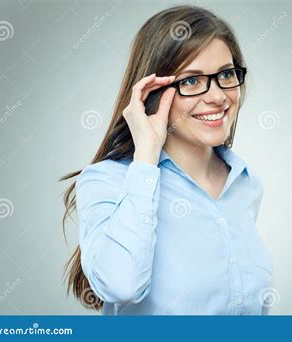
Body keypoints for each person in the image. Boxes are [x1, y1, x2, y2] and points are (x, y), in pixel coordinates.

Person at [60, 5, 273, 315]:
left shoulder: (245, 183)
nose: (217, 97)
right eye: (191, 81)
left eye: (226, 74)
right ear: (152, 91)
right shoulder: (107, 181)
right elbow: (121, 286)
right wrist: (146, 156)